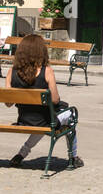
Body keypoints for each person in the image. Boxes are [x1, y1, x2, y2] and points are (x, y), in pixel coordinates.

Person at [5, 33, 82, 168]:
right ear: (41, 52)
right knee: (71, 116)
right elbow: (55, 100)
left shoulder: (12, 72)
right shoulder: (47, 71)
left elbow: (8, 103)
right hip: (45, 120)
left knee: (41, 120)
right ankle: (73, 157)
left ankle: (21, 155)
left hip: (25, 120)